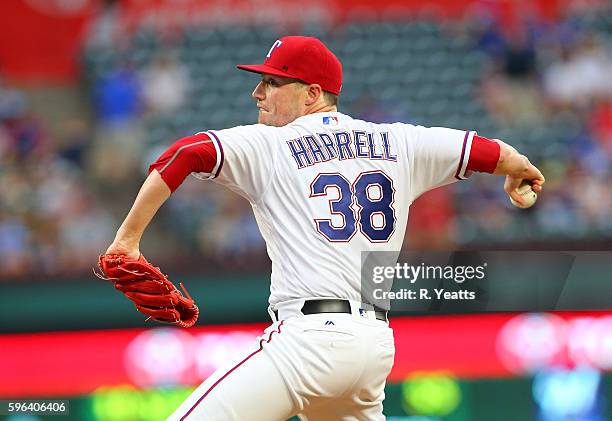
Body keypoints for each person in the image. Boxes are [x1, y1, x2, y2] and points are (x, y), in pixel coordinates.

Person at [102, 36, 545, 420]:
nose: (259, 92)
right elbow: (484, 150)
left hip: (308, 341)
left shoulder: (272, 143)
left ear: (312, 93)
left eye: (273, 82)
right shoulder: (400, 142)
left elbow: (185, 153)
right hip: (372, 348)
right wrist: (519, 170)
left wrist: (127, 239)